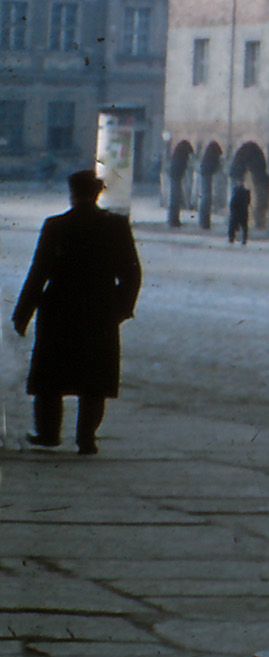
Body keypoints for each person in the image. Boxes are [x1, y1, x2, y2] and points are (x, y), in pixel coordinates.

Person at [13, 171, 144, 454]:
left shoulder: (56, 226)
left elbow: (39, 273)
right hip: (99, 312)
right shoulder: (116, 226)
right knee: (94, 379)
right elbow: (132, 273)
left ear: (72, 193)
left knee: (50, 379)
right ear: (96, 194)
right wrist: (120, 308)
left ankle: (48, 433)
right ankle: (86, 437)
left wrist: (23, 313)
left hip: (59, 311)